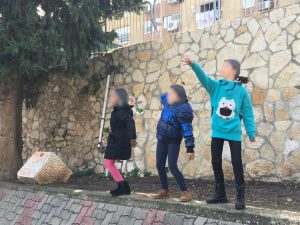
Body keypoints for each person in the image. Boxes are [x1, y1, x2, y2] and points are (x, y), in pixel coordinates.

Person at [182, 56, 255, 210]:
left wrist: (251, 132)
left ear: (233, 70)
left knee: (236, 164)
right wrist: (194, 65)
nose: (221, 69)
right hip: (217, 132)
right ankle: (220, 194)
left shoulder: (241, 91)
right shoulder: (216, 86)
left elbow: (248, 113)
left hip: (234, 132)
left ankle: (240, 197)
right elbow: (204, 78)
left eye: (224, 67)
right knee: (216, 161)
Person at [153, 84, 195, 202]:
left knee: (172, 166)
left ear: (178, 96)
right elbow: (163, 96)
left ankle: (185, 191)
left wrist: (190, 147)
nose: (168, 95)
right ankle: (165, 190)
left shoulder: (183, 109)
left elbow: (187, 129)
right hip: (162, 138)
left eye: (171, 94)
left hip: (173, 141)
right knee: (159, 165)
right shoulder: (168, 101)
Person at [104, 88, 137, 197]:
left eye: (113, 96)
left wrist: (133, 137)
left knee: (108, 163)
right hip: (116, 139)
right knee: (109, 163)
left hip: (118, 140)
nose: (111, 98)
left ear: (118, 98)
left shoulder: (121, 110)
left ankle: (123, 186)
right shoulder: (119, 110)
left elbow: (130, 122)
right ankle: (123, 186)